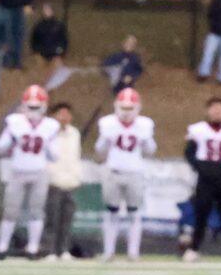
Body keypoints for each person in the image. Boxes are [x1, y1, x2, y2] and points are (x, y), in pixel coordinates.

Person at [93, 86, 156, 260]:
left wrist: (146, 139)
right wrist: (105, 138)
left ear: (137, 108)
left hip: (135, 172)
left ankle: (133, 252)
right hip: (113, 171)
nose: (127, 112)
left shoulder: (145, 125)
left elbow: (150, 151)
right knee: (111, 211)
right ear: (116, 106)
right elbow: (99, 150)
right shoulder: (108, 123)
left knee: (134, 213)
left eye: (130, 108)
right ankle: (108, 251)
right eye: (124, 108)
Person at [0, 86, 57, 258]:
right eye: (31, 106)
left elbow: (55, 156)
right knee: (10, 210)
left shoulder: (50, 126)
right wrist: (13, 139)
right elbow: (0, 148)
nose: (33, 110)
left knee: (36, 211)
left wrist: (46, 144)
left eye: (36, 106)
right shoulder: (15, 123)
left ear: (44, 106)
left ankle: (33, 248)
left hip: (39, 171)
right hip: (18, 171)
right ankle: (2, 247)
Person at [182, 97, 221, 261]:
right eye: (214, 108)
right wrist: (200, 167)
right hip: (205, 178)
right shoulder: (199, 130)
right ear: (207, 111)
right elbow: (189, 152)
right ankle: (194, 248)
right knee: (201, 214)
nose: (217, 111)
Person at [40, 100, 83, 258]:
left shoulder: (74, 133)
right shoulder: (48, 132)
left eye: (67, 114)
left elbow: (75, 156)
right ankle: (50, 250)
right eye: (61, 114)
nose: (64, 117)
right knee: (52, 218)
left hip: (70, 182)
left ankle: (64, 249)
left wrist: (77, 176)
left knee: (67, 219)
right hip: (53, 181)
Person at [28, 0, 69, 86]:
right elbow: (34, 40)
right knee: (43, 75)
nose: (46, 12)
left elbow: (64, 40)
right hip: (42, 53)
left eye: (48, 10)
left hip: (55, 53)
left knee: (54, 74)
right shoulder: (38, 25)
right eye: (45, 10)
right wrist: (36, 52)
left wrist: (60, 52)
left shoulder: (59, 25)